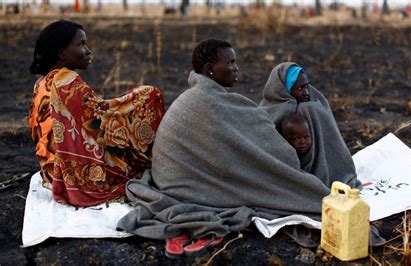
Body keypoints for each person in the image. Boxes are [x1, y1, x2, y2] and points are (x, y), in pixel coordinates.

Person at [118, 39, 361, 257]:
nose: (236, 68)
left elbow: (230, 148)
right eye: (230, 63)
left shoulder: (200, 98)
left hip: (169, 181)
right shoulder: (209, 103)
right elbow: (258, 151)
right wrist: (288, 161)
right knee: (286, 186)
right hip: (186, 185)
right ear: (209, 69)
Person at [29, 20, 165, 207]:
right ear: (62, 53)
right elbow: (100, 123)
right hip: (76, 176)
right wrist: (142, 98)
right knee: (150, 95)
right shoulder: (67, 81)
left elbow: (90, 116)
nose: (88, 50)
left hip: (51, 171)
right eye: (81, 44)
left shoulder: (41, 82)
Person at [259, 62, 360, 188]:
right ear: (284, 89)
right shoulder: (266, 111)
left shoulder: (314, 106)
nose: (306, 92)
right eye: (299, 88)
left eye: (306, 86)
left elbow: (332, 143)